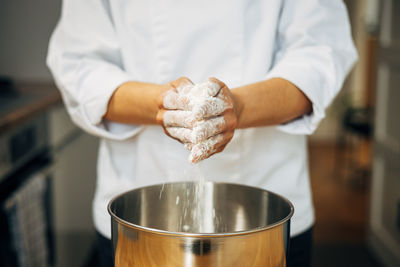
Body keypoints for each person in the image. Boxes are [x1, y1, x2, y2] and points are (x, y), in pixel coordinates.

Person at [47, 0, 357, 266]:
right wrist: (163, 105)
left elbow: (320, 53)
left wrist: (239, 107)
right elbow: (79, 64)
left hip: (267, 211)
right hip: (139, 209)